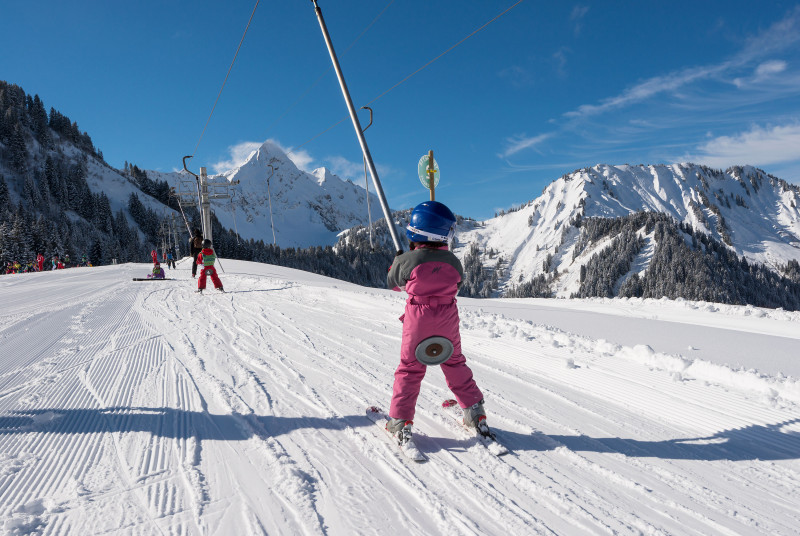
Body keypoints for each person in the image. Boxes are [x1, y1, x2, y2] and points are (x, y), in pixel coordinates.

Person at [385, 200, 489, 444]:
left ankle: (400, 421)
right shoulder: (454, 262)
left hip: (417, 321)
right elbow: (456, 284)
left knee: (410, 369)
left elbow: (393, 283)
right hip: (447, 319)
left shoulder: (406, 261)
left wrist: (399, 262)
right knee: (455, 363)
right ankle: (474, 412)